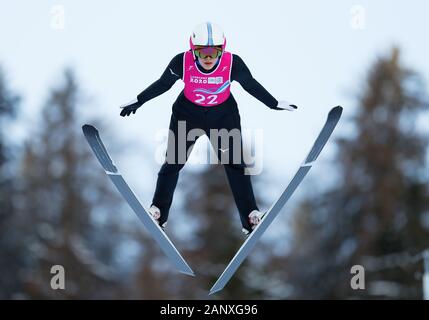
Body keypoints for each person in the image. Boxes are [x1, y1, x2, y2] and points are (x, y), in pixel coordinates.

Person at [120, 22, 297, 235]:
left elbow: (250, 84)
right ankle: (158, 210)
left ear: (223, 49)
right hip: (187, 114)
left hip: (223, 116)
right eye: (202, 53)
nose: (208, 59)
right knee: (174, 161)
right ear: (192, 50)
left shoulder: (233, 63)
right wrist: (139, 100)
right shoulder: (182, 61)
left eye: (214, 53)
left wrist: (273, 103)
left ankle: (251, 217)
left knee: (236, 164)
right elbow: (163, 84)